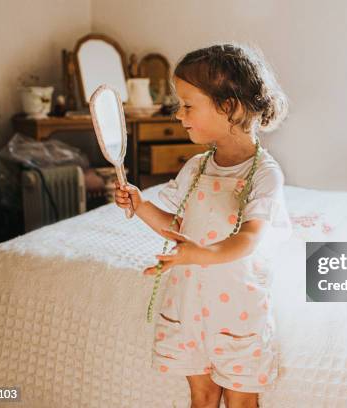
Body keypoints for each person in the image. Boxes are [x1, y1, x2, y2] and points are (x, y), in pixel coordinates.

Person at [115, 43, 291, 408]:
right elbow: (179, 227)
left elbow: (249, 240)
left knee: (241, 399)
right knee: (202, 394)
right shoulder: (196, 167)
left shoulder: (264, 175)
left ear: (229, 107)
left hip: (237, 308)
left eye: (188, 105)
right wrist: (141, 205)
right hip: (190, 305)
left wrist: (200, 253)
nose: (179, 114)